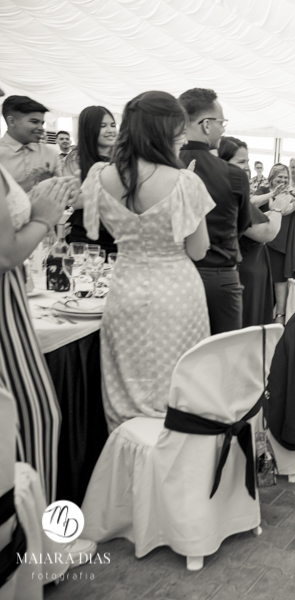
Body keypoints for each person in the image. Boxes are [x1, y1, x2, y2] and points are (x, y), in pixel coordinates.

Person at [75, 90, 215, 430]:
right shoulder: (185, 182)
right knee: (179, 390)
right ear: (168, 130)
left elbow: (92, 227)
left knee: (126, 393)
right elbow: (198, 250)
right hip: (178, 293)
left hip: (125, 290)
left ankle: (126, 465)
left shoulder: (100, 176)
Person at [1, 159, 78, 502]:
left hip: (12, 296)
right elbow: (6, 254)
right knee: (37, 417)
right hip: (4, 302)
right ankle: (38, 540)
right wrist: (44, 218)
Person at [178, 88, 253, 335]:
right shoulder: (235, 175)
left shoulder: (163, 168)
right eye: (221, 122)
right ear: (207, 125)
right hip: (219, 278)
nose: (223, 129)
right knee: (223, 357)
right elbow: (241, 226)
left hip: (173, 275)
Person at [219, 136, 284, 327]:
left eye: (247, 161)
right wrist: (278, 209)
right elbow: (266, 232)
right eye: (241, 162)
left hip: (255, 269)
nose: (247, 167)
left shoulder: (237, 191)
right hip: (244, 271)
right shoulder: (227, 194)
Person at [63, 106, 118, 254]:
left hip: (119, 233)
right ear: (89, 129)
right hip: (85, 234)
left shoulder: (123, 158)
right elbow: (74, 200)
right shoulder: (76, 158)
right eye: (103, 126)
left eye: (113, 125)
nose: (110, 130)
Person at [265, 156, 295, 323]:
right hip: (266, 242)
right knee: (267, 280)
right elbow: (278, 209)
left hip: (282, 241)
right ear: (271, 177)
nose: (283, 179)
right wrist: (293, 203)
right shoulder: (263, 192)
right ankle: (265, 313)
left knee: (280, 279)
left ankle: (280, 316)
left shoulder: (290, 192)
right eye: (280, 177)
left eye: (286, 178)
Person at [0, 96, 61, 192]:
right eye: (34, 122)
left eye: (42, 123)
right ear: (11, 121)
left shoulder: (51, 154)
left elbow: (64, 192)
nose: (41, 128)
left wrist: (50, 183)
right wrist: (22, 189)